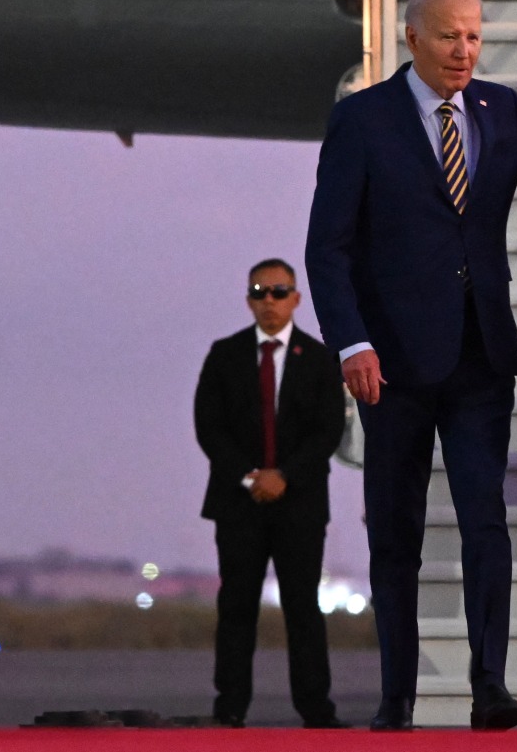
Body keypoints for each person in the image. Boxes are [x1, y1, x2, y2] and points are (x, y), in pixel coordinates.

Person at [304, 0, 517, 731]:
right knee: (397, 532)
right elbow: (329, 247)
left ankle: (491, 686)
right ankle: (397, 696)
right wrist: (351, 339)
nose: (464, 50)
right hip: (391, 363)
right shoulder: (362, 120)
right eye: (450, 35)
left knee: (487, 518)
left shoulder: (500, 110)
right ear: (413, 37)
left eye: (475, 36)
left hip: (479, 352)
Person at [194, 258, 346, 729]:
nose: (269, 301)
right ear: (248, 300)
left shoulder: (320, 359)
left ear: (296, 298)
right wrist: (250, 476)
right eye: (260, 292)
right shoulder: (225, 355)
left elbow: (328, 431)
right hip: (238, 503)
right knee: (236, 607)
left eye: (279, 292)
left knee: (303, 608)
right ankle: (230, 707)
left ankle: (316, 709)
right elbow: (208, 426)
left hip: (299, 504)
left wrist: (284, 477)